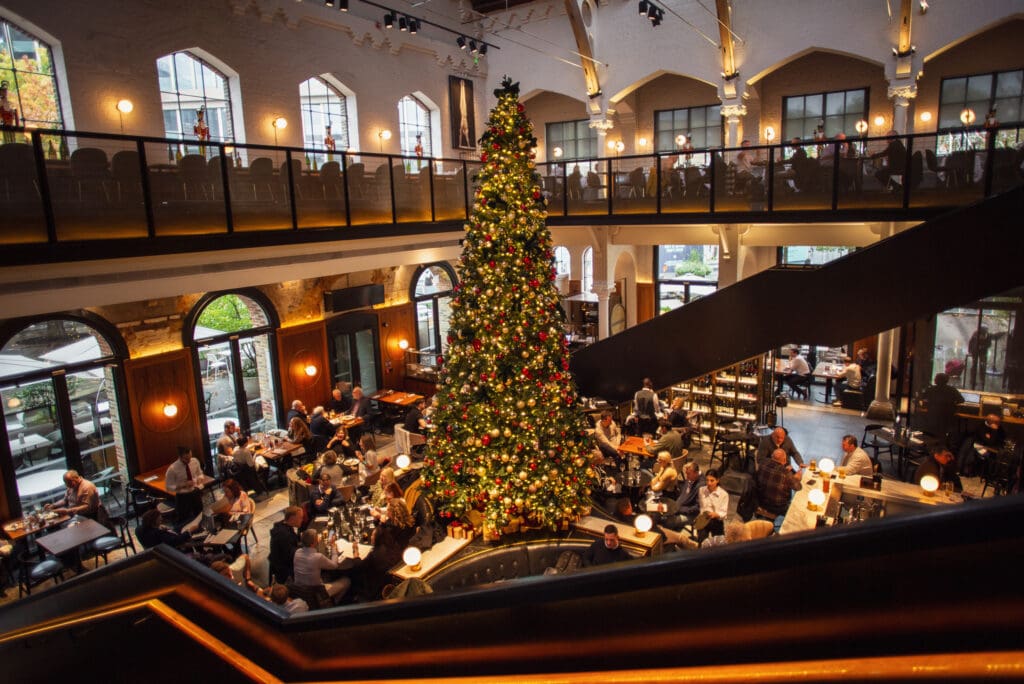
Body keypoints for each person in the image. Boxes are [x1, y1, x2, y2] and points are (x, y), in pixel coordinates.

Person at [360, 497, 417, 601]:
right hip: (405, 552)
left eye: (388, 510)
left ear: (392, 512)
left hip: (392, 557)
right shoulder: (410, 522)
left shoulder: (390, 527)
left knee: (364, 564)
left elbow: (377, 539)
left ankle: (369, 594)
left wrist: (381, 523)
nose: (386, 511)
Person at [293, 528, 358, 604]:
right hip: (316, 592)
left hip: (299, 590)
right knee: (347, 581)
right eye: (317, 538)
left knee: (327, 575)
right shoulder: (317, 557)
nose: (319, 538)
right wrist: (333, 547)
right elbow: (334, 565)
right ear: (313, 543)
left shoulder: (297, 552)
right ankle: (332, 603)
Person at [653, 460, 703, 531]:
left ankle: (668, 537)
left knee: (667, 521)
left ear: (696, 473)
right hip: (678, 507)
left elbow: (697, 508)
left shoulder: (701, 486)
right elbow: (683, 493)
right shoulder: (691, 478)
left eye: (688, 474)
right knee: (657, 514)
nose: (687, 477)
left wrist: (679, 509)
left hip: (691, 515)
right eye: (686, 474)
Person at [916, 373, 965, 442]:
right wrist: (952, 404)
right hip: (946, 418)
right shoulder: (952, 390)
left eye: (936, 378)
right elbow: (961, 400)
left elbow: (921, 397)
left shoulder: (931, 389)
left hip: (932, 417)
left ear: (938, 380)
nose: (934, 379)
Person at [756, 448, 802, 518]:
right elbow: (798, 487)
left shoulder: (763, 463)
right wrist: (797, 478)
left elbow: (774, 471)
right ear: (784, 460)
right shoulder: (786, 473)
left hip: (761, 501)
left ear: (772, 456)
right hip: (779, 506)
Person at [164, 446, 206, 521]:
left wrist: (199, 478)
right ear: (180, 457)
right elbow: (168, 486)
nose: (189, 460)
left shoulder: (195, 461)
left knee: (199, 514)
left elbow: (200, 473)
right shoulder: (172, 469)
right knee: (184, 518)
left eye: (190, 457)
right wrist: (182, 485)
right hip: (182, 496)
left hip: (195, 492)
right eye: (186, 459)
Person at [269, 506, 304, 584]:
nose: (302, 520)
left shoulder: (283, 525)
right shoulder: (284, 535)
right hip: (284, 571)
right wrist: (306, 545)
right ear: (292, 518)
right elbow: (292, 554)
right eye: (300, 518)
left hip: (280, 563)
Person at [697, 468, 729, 541]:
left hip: (716, 520)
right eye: (707, 480)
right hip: (704, 519)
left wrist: (715, 514)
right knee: (701, 541)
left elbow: (724, 513)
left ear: (717, 480)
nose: (709, 483)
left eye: (712, 480)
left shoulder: (724, 494)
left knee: (719, 543)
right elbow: (701, 506)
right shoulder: (701, 490)